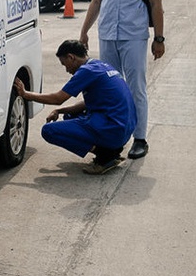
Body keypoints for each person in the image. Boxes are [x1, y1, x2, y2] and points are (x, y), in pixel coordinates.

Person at [79, 0, 164, 159]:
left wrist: (159, 38)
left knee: (136, 87)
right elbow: (96, 1)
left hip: (133, 37)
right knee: (108, 88)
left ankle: (140, 138)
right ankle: (112, 140)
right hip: (107, 35)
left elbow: (156, 4)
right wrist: (84, 31)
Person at [14, 40, 137, 175]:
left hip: (114, 129)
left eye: (64, 64)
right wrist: (59, 111)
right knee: (69, 116)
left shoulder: (86, 71)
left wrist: (26, 94)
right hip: (124, 130)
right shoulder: (100, 65)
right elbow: (89, 103)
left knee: (49, 131)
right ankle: (112, 148)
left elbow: (58, 98)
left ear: (71, 57)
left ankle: (106, 155)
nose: (67, 70)